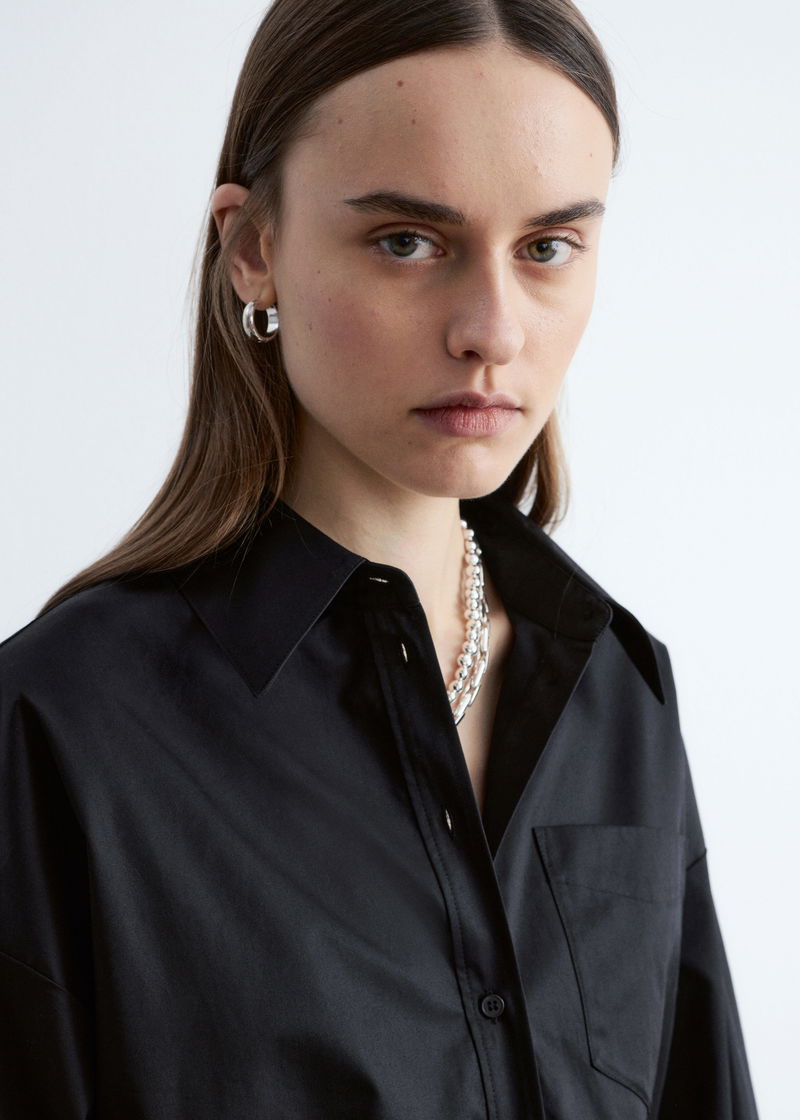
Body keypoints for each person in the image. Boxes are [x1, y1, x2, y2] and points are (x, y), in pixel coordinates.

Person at [0, 1, 759, 1117]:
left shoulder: (619, 695)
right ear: (254, 250)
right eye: (408, 241)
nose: (492, 329)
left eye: (546, 247)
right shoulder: (60, 726)